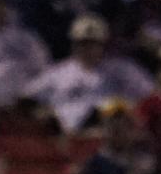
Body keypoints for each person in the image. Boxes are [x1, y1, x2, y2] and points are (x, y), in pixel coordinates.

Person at [24, 16, 153, 132]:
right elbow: (26, 99)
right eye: (82, 43)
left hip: (107, 136)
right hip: (67, 136)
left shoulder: (123, 69)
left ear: (103, 44)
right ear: (73, 45)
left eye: (93, 43)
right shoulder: (57, 73)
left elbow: (149, 95)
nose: (88, 48)